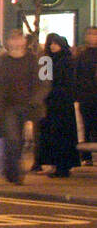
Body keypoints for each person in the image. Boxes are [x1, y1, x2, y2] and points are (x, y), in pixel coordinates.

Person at [0, 29, 47, 185]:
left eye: (19, 39)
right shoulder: (0, 61)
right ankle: (14, 171)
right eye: (12, 39)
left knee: (21, 141)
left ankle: (12, 168)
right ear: (7, 42)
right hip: (8, 107)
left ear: (25, 41)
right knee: (12, 139)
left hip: (30, 105)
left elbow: (45, 84)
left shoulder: (37, 60)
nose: (16, 43)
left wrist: (36, 100)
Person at [36, 33, 80, 178]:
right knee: (52, 135)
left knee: (62, 134)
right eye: (51, 43)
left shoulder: (67, 60)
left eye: (55, 43)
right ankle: (55, 164)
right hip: (50, 103)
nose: (53, 46)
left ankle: (63, 166)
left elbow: (69, 81)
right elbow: (42, 81)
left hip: (62, 103)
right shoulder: (46, 60)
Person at [75, 26, 97, 164]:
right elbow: (77, 74)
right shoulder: (81, 54)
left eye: (94, 34)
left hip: (91, 93)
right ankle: (87, 156)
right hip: (86, 95)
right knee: (86, 125)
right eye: (89, 33)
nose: (91, 36)